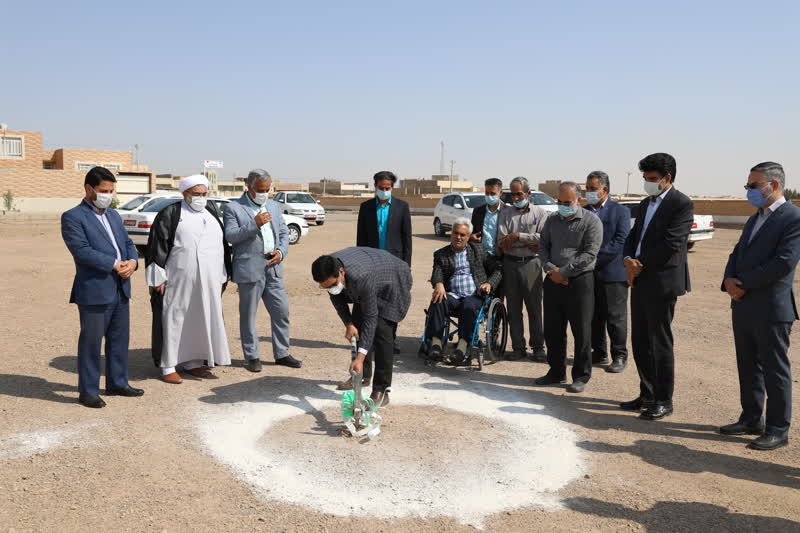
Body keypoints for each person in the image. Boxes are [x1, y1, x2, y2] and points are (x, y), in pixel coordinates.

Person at [720, 162, 800, 451]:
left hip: (771, 307)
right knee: (748, 364)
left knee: (774, 369)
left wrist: (743, 284)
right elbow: (738, 251)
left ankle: (778, 428)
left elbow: (783, 263)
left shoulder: (793, 218)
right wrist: (728, 279)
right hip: (743, 304)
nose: (749, 191)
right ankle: (752, 418)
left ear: (774, 185)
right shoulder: (757, 217)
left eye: (753, 186)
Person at [61, 166, 143, 408]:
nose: (108, 194)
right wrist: (114, 264)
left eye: (111, 190)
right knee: (91, 342)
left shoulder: (114, 215)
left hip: (120, 288)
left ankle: (117, 383)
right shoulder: (73, 217)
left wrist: (134, 262)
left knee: (119, 339)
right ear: (89, 189)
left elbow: (127, 243)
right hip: (95, 289)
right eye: (103, 190)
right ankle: (88, 391)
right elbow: (82, 251)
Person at [621, 153, 693, 420]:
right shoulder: (645, 203)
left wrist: (640, 263)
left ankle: (664, 399)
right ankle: (647, 393)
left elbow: (672, 244)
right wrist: (628, 259)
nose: (647, 184)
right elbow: (633, 236)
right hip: (639, 278)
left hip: (661, 282)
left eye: (652, 179)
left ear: (667, 178)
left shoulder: (681, 204)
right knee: (640, 340)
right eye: (645, 179)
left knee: (659, 342)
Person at [145, 175, 232, 383]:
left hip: (208, 281)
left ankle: (193, 361)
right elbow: (158, 246)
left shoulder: (211, 213)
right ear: (185, 194)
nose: (201, 198)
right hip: (178, 279)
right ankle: (168, 365)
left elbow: (220, 247)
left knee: (201, 318)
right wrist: (157, 278)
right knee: (174, 318)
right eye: (196, 194)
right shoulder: (172, 213)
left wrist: (222, 275)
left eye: (204, 194)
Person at [312, 247, 413, 407]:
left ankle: (382, 389)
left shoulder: (361, 277)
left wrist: (359, 358)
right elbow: (337, 299)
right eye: (326, 287)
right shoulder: (327, 268)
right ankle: (363, 375)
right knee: (358, 323)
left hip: (392, 280)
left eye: (333, 285)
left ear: (341, 272)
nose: (331, 289)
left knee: (382, 332)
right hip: (370, 278)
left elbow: (371, 317)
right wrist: (349, 324)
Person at [224, 169, 302, 372]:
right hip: (249, 269)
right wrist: (254, 224)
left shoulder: (274, 206)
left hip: (273, 267)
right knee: (248, 314)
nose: (264, 193)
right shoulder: (234, 208)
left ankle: (282, 353)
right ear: (248, 187)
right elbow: (231, 236)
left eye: (267, 190)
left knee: (281, 311)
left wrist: (281, 252)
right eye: (260, 189)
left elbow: (283, 233)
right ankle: (252, 356)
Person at [344, 170, 411, 389]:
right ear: (374, 186)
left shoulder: (402, 208)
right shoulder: (366, 208)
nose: (384, 191)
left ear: (393, 188)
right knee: (365, 320)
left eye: (387, 188)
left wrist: (405, 271)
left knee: (385, 324)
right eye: (381, 188)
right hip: (370, 270)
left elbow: (406, 241)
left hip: (392, 272)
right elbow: (360, 241)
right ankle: (363, 374)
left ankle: (383, 380)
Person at [535, 182, 603, 393]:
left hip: (580, 282)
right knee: (553, 330)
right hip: (553, 280)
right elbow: (543, 246)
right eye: (560, 202)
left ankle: (581, 376)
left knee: (582, 330)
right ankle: (556, 372)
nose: (564, 206)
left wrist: (563, 272)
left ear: (579, 200)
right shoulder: (552, 219)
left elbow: (590, 254)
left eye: (568, 202)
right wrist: (550, 269)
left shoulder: (591, 221)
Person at [426, 217, 502, 365]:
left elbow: (498, 270)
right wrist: (439, 283)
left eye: (462, 235)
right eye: (456, 233)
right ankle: (435, 344)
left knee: (468, 305)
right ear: (451, 234)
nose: (458, 237)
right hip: (453, 295)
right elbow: (437, 271)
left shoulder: (478, 250)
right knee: (438, 299)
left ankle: (462, 347)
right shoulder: (441, 254)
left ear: (468, 237)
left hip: (474, 295)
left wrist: (489, 284)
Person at [497, 176, 549, 361]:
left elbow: (542, 239)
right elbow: (502, 242)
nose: (516, 198)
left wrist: (518, 236)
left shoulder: (541, 213)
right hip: (510, 264)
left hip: (532, 265)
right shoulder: (505, 213)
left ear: (528, 193)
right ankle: (518, 347)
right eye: (513, 194)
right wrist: (529, 240)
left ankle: (538, 347)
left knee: (534, 307)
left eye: (519, 194)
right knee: (513, 308)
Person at [584, 171, 631, 373]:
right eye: (587, 189)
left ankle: (619, 355)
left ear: (605, 190)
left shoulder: (620, 211)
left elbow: (620, 241)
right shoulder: (583, 211)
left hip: (613, 273)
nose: (589, 192)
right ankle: (599, 352)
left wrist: (593, 259)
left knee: (615, 317)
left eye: (593, 189)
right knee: (593, 316)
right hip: (588, 274)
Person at [470, 177, 505, 298]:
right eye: (487, 193)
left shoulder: (508, 211)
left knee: (498, 297)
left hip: (500, 260)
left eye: (493, 193)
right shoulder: (478, 211)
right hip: (480, 260)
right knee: (480, 295)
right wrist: (471, 237)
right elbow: (473, 232)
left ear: (500, 193)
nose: (489, 196)